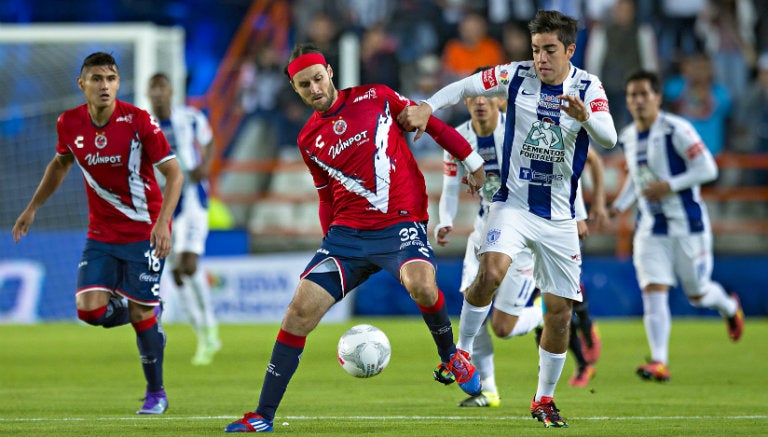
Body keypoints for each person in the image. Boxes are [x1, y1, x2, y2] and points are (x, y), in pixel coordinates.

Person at [224, 43, 487, 433]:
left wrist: (472, 159)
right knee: (298, 312)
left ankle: (450, 355)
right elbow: (325, 195)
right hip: (346, 238)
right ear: (295, 89)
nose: (313, 88)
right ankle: (263, 415)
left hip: (399, 225)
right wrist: (328, 237)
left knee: (423, 286)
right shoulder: (308, 138)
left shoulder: (376, 97)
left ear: (329, 72)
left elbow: (425, 118)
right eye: (303, 85)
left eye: (317, 78)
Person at [399, 10, 618, 428]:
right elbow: (466, 84)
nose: (541, 58)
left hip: (559, 219)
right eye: (536, 49)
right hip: (512, 206)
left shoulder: (588, 87)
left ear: (570, 50)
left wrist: (584, 118)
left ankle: (544, 400)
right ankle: (460, 353)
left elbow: (609, 137)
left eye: (550, 50)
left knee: (558, 313)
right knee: (491, 271)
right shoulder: (515, 75)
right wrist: (427, 106)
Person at [11, 52, 183, 415]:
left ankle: (157, 394)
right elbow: (60, 163)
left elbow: (175, 173)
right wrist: (32, 208)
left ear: (118, 83)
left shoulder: (138, 121)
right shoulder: (69, 123)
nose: (105, 85)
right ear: (82, 84)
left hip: (144, 231)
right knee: (89, 312)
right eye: (97, 78)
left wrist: (163, 222)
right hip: (101, 234)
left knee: (140, 317)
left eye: (111, 78)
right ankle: (147, 309)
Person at [610, 70, 744, 383]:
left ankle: (728, 305)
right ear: (628, 101)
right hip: (652, 228)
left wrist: (670, 185)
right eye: (633, 95)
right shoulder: (629, 136)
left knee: (697, 293)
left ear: (657, 97)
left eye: (645, 94)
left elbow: (708, 168)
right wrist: (616, 208)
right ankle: (659, 361)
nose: (639, 100)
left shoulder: (677, 129)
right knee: (653, 290)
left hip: (687, 225)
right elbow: (637, 178)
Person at [435, 79, 541, 408]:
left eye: (488, 96)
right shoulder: (457, 139)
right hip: (483, 231)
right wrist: (445, 220)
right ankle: (488, 389)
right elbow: (450, 187)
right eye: (472, 97)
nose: (480, 101)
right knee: (472, 302)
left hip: (521, 234)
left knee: (504, 328)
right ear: (465, 103)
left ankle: (544, 312)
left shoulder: (522, 131)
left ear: (499, 102)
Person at [147, 72, 222, 366]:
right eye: (154, 90)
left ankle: (211, 329)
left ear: (171, 91)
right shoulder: (144, 127)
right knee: (178, 273)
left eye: (163, 89)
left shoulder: (190, 117)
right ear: (148, 93)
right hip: (165, 204)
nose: (159, 94)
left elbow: (210, 141)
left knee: (188, 265)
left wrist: (205, 165)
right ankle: (205, 336)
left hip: (193, 199)